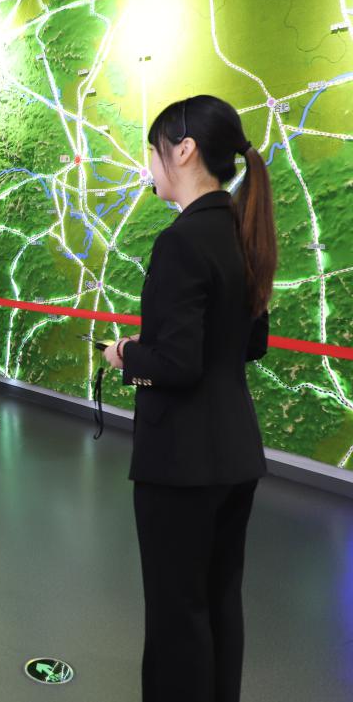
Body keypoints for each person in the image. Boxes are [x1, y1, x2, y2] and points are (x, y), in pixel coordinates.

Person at [102, 96, 276, 702]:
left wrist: (125, 356)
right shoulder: (241, 229)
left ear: (183, 150)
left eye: (153, 152)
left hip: (181, 462)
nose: (149, 166)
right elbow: (252, 343)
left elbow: (176, 365)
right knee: (220, 603)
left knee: (177, 617)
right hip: (235, 454)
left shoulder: (181, 241)